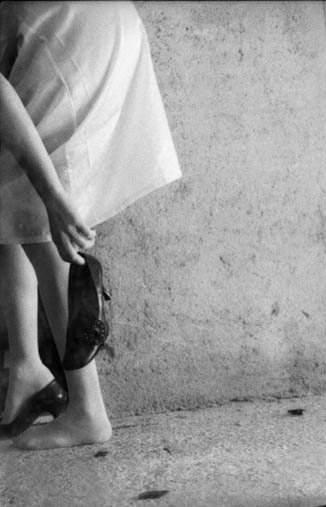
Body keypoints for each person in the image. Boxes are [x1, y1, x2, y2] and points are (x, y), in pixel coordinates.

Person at [0, 1, 182, 450]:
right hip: (91, 19)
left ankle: (88, 412)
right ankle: (28, 368)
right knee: (10, 194)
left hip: (67, 29)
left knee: (40, 215)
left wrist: (53, 197)